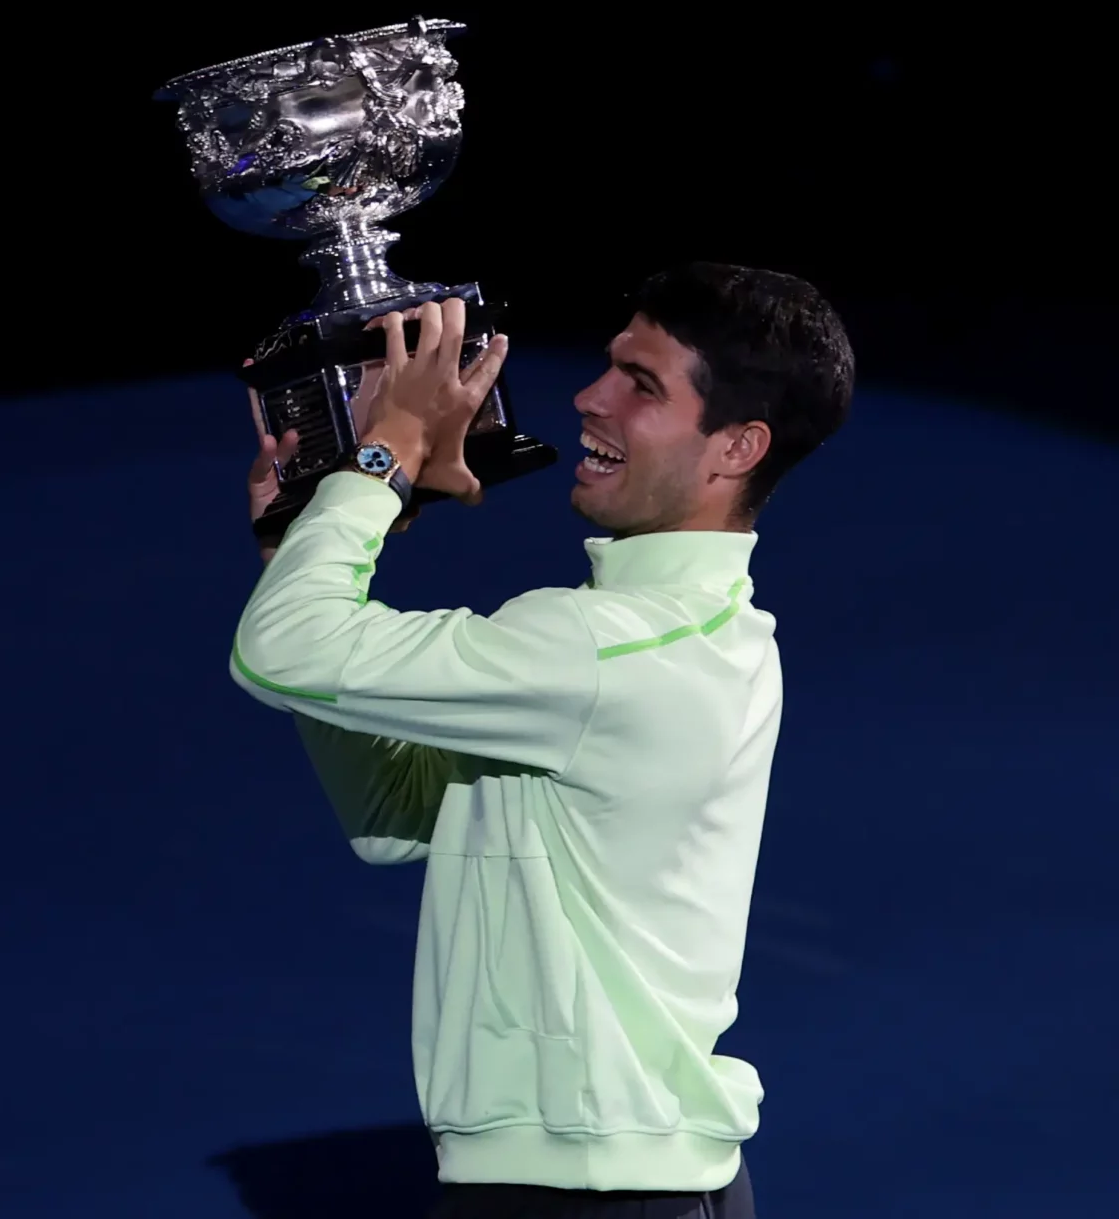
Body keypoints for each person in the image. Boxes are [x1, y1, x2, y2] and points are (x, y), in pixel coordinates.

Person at [232, 263, 854, 1219]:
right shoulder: (689, 632)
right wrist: (303, 546)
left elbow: (280, 651)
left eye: (641, 386)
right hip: (620, 1184)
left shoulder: (599, 650)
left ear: (738, 447)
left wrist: (384, 454)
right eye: (610, 366)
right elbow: (396, 815)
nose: (588, 398)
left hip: (584, 1195)